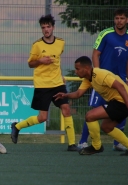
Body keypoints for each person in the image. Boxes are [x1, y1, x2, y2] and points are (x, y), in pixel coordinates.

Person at [10, 14, 78, 151]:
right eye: (43, 28)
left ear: (53, 27)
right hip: (42, 85)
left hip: (58, 83)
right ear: (41, 29)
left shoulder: (61, 43)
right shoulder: (37, 45)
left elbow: (57, 61)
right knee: (42, 117)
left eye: (48, 27)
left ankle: (72, 144)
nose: (46, 30)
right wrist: (40, 61)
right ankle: (17, 127)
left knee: (66, 109)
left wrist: (61, 76)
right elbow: (30, 64)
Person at [54, 56, 128, 156]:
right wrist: (65, 95)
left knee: (90, 116)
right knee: (106, 127)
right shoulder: (88, 79)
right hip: (119, 102)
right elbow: (78, 94)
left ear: (86, 68)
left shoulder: (100, 74)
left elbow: (120, 86)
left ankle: (96, 146)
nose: (75, 71)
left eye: (77, 69)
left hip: (123, 102)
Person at [78, 8, 128, 152]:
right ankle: (83, 141)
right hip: (103, 81)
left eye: (122, 18)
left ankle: (118, 142)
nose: (119, 21)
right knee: (94, 111)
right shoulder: (106, 34)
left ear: (127, 20)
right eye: (117, 18)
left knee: (121, 109)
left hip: (120, 81)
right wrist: (97, 74)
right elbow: (95, 54)